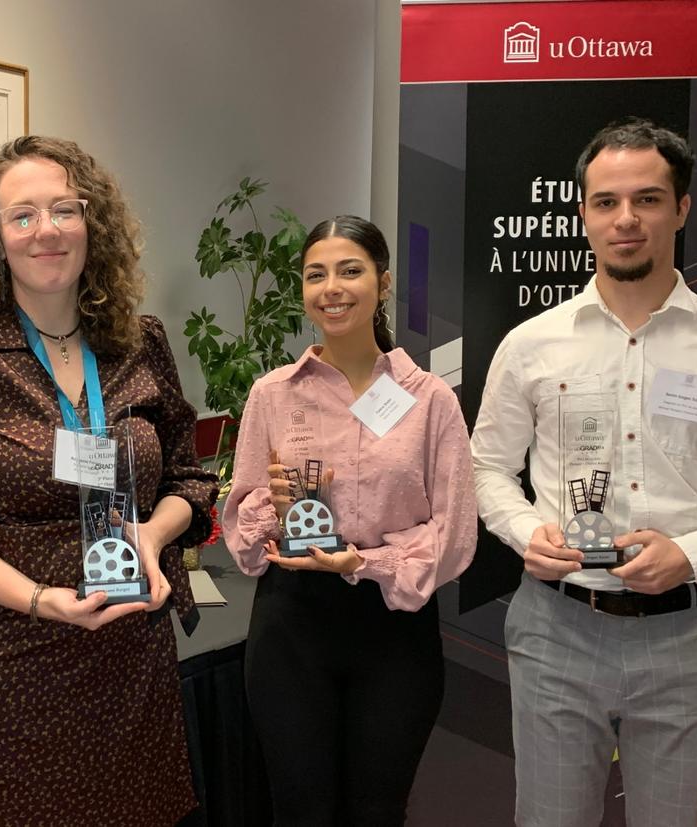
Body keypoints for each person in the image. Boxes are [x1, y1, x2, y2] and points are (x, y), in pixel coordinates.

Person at [470, 118, 697, 827]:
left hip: (685, 639)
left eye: (648, 199)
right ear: (582, 214)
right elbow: (486, 467)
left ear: (682, 208)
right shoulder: (531, 344)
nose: (625, 219)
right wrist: (523, 530)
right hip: (556, 629)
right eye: (605, 202)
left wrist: (694, 553)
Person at [0, 134, 217, 825]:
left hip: (133, 660)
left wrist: (153, 535)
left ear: (91, 223)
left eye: (64, 209)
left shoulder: (141, 340)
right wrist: (42, 599)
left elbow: (189, 478)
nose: (47, 230)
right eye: (23, 215)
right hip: (12, 668)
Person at [221, 215, 477, 825]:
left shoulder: (430, 398)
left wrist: (367, 561)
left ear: (383, 284)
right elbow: (243, 526)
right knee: (299, 810)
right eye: (316, 275)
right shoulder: (272, 394)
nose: (331, 287)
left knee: (377, 811)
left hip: (391, 629)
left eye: (350, 270)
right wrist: (272, 511)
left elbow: (455, 530)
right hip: (291, 623)